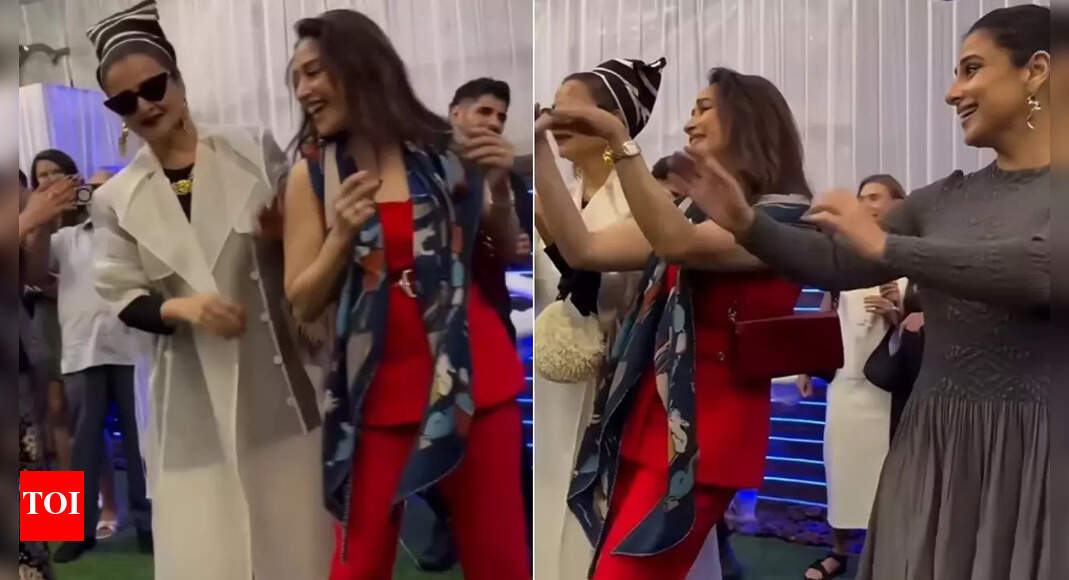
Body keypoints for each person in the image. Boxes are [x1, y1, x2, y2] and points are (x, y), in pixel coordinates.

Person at [684, 6, 1053, 579]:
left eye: (972, 69)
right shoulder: (940, 200)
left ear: (1037, 70)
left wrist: (887, 246)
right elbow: (837, 263)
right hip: (932, 449)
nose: (953, 92)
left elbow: (1039, 269)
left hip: (1043, 458)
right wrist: (747, 224)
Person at [535, 64, 813, 579]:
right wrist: (538, 154)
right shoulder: (688, 211)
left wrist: (619, 141)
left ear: (748, 119)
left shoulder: (784, 220)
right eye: (690, 110)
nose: (689, 122)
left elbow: (677, 244)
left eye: (704, 109)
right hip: (643, 419)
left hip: (705, 433)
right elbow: (584, 249)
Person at [85, 1, 332, 578]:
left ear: (179, 80)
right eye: (125, 102)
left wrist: (287, 233)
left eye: (153, 87)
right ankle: (78, 527)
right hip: (189, 392)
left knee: (296, 543)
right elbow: (122, 295)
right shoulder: (116, 198)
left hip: (278, 380)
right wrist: (185, 307)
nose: (145, 105)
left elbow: (303, 245)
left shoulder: (252, 150)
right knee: (207, 549)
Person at [281, 9, 528, 579]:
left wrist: (500, 191)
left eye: (314, 72)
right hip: (373, 394)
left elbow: (499, 251)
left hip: (472, 380)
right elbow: (302, 300)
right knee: (358, 563)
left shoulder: (447, 154)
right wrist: (340, 237)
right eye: (296, 79)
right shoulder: (312, 174)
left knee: (501, 561)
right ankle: (76, 526)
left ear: (362, 66)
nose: (303, 90)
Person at [797, 174, 906, 580]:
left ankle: (886, 557)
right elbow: (826, 314)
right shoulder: (844, 256)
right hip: (845, 383)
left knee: (888, 479)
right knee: (840, 469)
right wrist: (807, 365)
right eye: (862, 198)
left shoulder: (908, 257)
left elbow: (922, 330)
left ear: (897, 203)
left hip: (889, 389)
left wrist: (896, 315)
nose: (867, 205)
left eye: (875, 197)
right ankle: (838, 552)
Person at [49, 169, 153, 563]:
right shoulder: (60, 235)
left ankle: (147, 524)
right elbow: (32, 268)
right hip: (56, 340)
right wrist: (38, 216)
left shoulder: (134, 232)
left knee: (140, 439)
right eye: (40, 176)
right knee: (55, 437)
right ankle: (59, 529)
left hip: (122, 346)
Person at [15, 170, 76, 580]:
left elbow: (33, 275)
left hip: (24, 356)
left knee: (35, 461)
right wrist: (27, 219)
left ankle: (52, 544)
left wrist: (39, 228)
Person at [26, 149, 78, 472]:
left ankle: (96, 496)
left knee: (75, 415)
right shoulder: (29, 218)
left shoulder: (86, 210)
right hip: (37, 325)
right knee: (44, 419)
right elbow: (30, 273)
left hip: (77, 321)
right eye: (41, 175)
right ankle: (54, 508)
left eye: (54, 172)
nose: (48, 180)